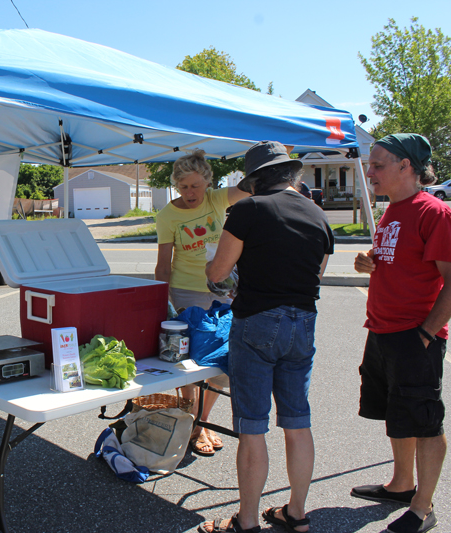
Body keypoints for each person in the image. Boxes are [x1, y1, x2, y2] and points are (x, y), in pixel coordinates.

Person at [201, 140, 333, 533]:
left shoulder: (249, 209)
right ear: (290, 174)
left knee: (252, 426)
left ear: (255, 180)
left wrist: (216, 269)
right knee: (297, 421)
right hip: (303, 321)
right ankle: (297, 513)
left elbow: (218, 272)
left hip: (257, 320)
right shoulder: (318, 214)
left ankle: (246, 521)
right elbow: (316, 274)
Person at [351, 133, 450, 533]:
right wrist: (366, 261)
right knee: (398, 413)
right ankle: (401, 485)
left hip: (414, 334)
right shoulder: (392, 210)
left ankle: (423, 508)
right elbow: (394, 261)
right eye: (369, 165)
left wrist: (425, 334)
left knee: (424, 420)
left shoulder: (434, 212)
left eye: (378, 165)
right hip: (382, 330)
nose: (370, 172)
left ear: (406, 166)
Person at [154, 149, 249, 456]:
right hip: (186, 292)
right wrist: (160, 300)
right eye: (183, 187)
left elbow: (252, 185)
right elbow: (163, 265)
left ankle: (202, 421)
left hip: (222, 289)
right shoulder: (167, 216)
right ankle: (192, 419)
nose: (190, 192)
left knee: (220, 358)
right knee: (191, 359)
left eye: (195, 185)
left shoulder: (217, 199)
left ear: (208, 182)